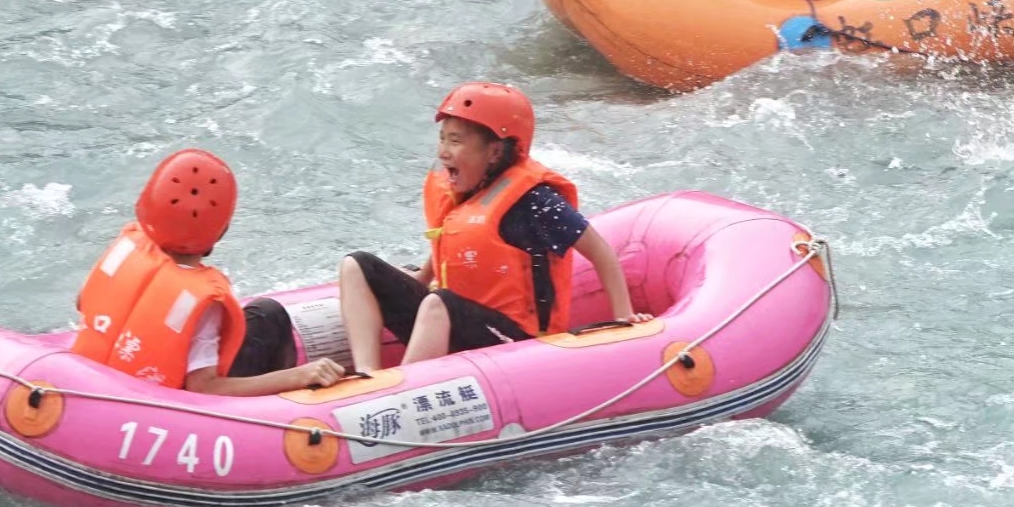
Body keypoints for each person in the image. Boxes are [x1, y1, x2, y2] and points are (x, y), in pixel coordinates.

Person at [337, 82, 640, 373]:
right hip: (457, 319)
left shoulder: (535, 201)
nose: (443, 151)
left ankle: (399, 390)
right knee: (357, 265)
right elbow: (451, 239)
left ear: (494, 152)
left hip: (516, 340)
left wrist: (623, 316)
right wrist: (423, 277)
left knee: (439, 303)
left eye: (455, 141)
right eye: (442, 138)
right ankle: (368, 374)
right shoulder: (467, 186)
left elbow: (600, 252)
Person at [72, 149, 346, 395]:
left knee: (264, 316)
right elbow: (204, 386)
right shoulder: (201, 301)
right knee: (271, 315)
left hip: (102, 376)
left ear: (146, 206)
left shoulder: (126, 250)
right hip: (169, 404)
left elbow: (83, 301)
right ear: (221, 231)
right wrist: (299, 376)